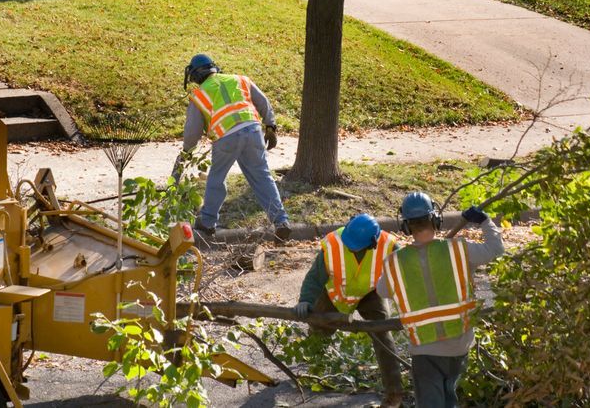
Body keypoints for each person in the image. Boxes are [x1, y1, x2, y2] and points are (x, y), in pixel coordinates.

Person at [376, 192, 504, 408]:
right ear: (436, 220)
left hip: (424, 348)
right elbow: (496, 249)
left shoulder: (394, 263)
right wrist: (484, 221)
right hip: (459, 343)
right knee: (449, 400)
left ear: (406, 226)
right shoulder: (459, 250)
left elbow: (382, 291)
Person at [174, 54, 291, 242]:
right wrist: (270, 125)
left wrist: (187, 150)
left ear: (195, 75)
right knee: (262, 177)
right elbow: (263, 102)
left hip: (226, 138)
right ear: (214, 67)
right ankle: (281, 221)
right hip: (253, 131)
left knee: (217, 178)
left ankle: (208, 222)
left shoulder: (199, 95)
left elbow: (192, 131)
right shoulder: (239, 79)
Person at [294, 214, 404, 407]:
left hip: (370, 292)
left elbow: (406, 275)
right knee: (320, 330)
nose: (350, 247)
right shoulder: (334, 243)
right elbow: (315, 277)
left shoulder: (389, 246)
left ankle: (394, 392)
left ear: (372, 242)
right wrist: (305, 300)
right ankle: (313, 364)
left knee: (382, 333)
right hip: (335, 292)